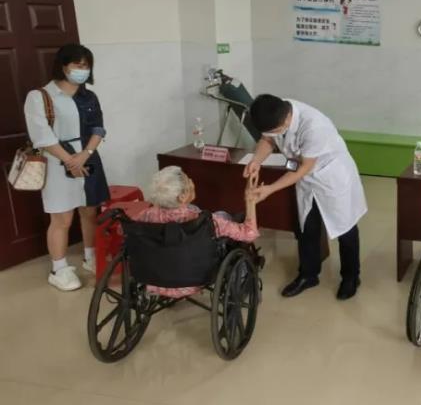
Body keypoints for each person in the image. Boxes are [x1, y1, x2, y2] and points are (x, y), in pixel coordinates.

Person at [244, 94, 367, 300]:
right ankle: (308, 275)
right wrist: (256, 160)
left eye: (275, 130)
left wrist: (270, 189)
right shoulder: (275, 111)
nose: (272, 134)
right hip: (306, 180)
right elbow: (267, 140)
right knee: (306, 228)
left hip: (331, 177)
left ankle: (351, 277)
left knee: (345, 228)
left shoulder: (314, 126)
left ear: (286, 120)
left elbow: (302, 168)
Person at [23, 44, 111, 291]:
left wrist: (86, 154)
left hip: (88, 159)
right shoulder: (40, 97)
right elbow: (42, 136)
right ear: (63, 66)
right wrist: (70, 160)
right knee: (61, 217)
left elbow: (98, 128)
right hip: (57, 161)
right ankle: (58, 269)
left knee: (89, 211)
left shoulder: (89, 96)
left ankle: (90, 256)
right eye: (77, 65)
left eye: (86, 66)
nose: (82, 70)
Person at [137, 166, 260, 298]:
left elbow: (128, 234)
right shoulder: (204, 221)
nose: (191, 181)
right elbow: (250, 234)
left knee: (201, 210)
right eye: (187, 180)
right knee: (223, 216)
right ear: (182, 196)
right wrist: (250, 201)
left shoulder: (146, 215)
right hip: (191, 281)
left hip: (154, 280)